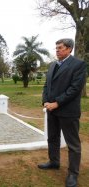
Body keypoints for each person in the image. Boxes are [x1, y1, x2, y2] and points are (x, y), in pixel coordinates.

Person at [38, 39, 87, 187]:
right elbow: (47, 85)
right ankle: (54, 162)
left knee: (73, 144)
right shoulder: (53, 65)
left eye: (60, 48)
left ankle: (73, 174)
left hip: (68, 111)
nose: (57, 50)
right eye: (56, 48)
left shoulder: (78, 65)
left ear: (69, 49)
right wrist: (45, 101)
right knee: (52, 138)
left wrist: (57, 103)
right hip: (51, 110)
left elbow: (75, 88)